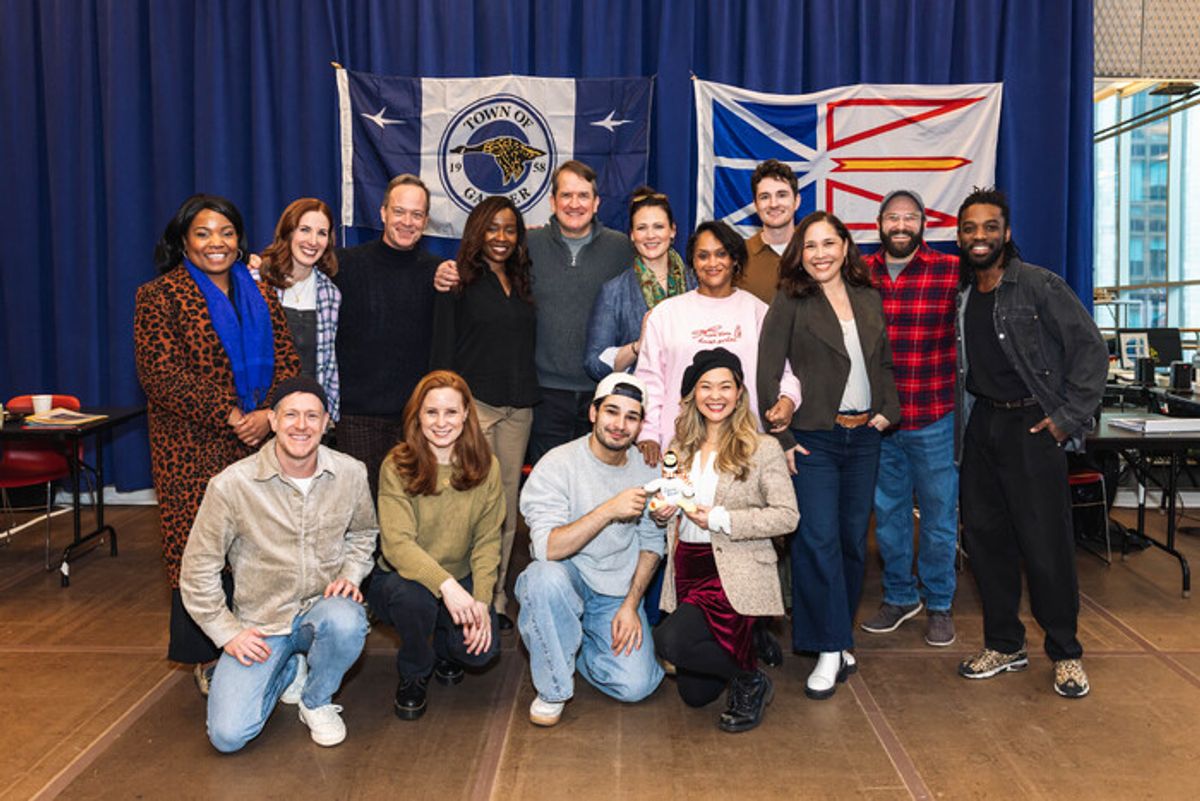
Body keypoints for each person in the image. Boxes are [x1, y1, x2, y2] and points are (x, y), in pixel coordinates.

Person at [135, 194, 299, 692]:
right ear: (184, 239)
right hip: (192, 446)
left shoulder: (261, 292)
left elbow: (289, 361)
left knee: (256, 547)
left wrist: (269, 414)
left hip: (258, 442)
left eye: (226, 232)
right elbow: (161, 375)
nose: (216, 243)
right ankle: (207, 655)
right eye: (203, 233)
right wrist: (232, 416)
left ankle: (264, 642)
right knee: (201, 551)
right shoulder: (158, 296)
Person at [954, 188, 1107, 699]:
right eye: (971, 228)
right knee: (986, 544)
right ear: (961, 236)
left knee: (1047, 549)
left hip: (1033, 431)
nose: (980, 237)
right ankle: (1004, 644)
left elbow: (1091, 349)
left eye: (989, 227)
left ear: (1006, 232)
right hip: (981, 430)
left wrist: (1067, 419)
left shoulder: (1038, 285)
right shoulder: (963, 294)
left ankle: (1065, 653)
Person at [179, 376, 377, 751]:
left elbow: (365, 533)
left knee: (348, 620)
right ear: (272, 420)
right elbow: (198, 568)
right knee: (228, 737)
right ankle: (286, 670)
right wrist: (227, 632)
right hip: (261, 623)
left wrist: (351, 574)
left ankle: (316, 701)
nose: (301, 426)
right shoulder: (231, 485)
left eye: (311, 416)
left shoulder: (350, 473)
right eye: (290, 415)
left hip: (321, 610)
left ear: (325, 422)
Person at [757, 210, 900, 700]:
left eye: (828, 243)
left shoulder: (867, 296)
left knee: (852, 543)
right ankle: (828, 647)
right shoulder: (790, 300)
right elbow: (767, 371)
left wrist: (888, 410)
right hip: (812, 439)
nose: (819, 254)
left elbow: (882, 360)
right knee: (816, 541)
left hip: (864, 439)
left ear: (845, 247)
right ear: (802, 253)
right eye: (810, 245)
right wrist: (781, 438)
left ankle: (838, 636)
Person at [436, 161, 635, 464]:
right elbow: (482, 264)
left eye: (583, 196)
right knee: (542, 485)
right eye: (566, 195)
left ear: (596, 203)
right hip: (543, 394)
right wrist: (446, 270)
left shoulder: (621, 249)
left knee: (597, 479)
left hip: (603, 390)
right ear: (553, 202)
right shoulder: (527, 244)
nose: (574, 204)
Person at [651, 349, 798, 733]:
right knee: (694, 695)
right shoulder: (678, 449)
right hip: (687, 568)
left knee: (670, 641)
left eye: (725, 386)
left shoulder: (763, 448)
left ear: (738, 393)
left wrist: (720, 518)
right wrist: (661, 510)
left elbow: (787, 516)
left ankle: (750, 677)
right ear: (692, 395)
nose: (716, 396)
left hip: (735, 569)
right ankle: (745, 654)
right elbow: (668, 501)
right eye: (705, 387)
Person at [515, 372, 665, 727]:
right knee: (541, 578)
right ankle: (554, 688)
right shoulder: (557, 463)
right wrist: (608, 510)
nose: (620, 425)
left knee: (636, 685)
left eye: (632, 417)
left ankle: (572, 645)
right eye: (612, 412)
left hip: (616, 590)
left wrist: (631, 605)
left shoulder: (649, 469)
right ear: (593, 413)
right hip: (568, 577)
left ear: (641, 425)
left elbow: (652, 543)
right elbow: (547, 548)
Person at [366, 370, 503, 720]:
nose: (441, 422)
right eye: (431, 412)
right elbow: (397, 545)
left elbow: (488, 542)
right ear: (417, 416)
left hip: (461, 576)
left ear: (467, 415)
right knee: (414, 599)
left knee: (479, 653)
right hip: (402, 579)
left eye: (451, 412)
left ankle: (446, 647)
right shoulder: (397, 465)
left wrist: (483, 603)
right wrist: (448, 588)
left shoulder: (487, 467)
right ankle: (414, 670)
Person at [859, 190, 961, 646]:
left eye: (910, 218)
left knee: (939, 517)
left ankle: (940, 604)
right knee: (890, 516)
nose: (901, 225)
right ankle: (901, 597)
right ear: (879, 223)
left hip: (933, 414)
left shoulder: (949, 271)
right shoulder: (861, 274)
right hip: (881, 421)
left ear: (923, 224)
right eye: (892, 218)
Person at [431, 197, 537, 631]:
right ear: (477, 231)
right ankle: (466, 596)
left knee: (507, 508)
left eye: (509, 229)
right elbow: (441, 350)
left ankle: (495, 598)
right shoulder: (457, 279)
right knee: (473, 505)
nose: (500, 237)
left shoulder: (521, 279)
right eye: (492, 228)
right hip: (477, 408)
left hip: (520, 409)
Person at [634, 220, 800, 468]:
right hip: (679, 446)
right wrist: (648, 434)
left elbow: (784, 371)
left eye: (721, 254)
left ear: (735, 259)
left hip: (746, 446)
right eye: (703, 256)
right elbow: (650, 380)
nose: (712, 263)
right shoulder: (666, 314)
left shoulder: (758, 312)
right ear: (693, 262)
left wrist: (788, 400)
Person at [333, 174, 441, 497]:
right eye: (399, 212)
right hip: (356, 417)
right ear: (382, 213)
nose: (407, 222)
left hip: (413, 419)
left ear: (425, 220)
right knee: (361, 512)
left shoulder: (437, 273)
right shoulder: (344, 265)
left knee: (408, 512)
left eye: (416, 214)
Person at [583, 186, 696, 381]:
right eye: (642, 228)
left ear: (673, 231)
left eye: (658, 226)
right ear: (632, 235)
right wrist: (638, 346)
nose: (650, 235)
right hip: (639, 403)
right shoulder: (614, 291)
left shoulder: (696, 283)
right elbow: (595, 365)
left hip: (692, 401)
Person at [257, 197, 343, 422]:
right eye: (305, 230)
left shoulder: (330, 294)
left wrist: (328, 415)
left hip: (308, 418)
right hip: (261, 415)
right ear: (288, 232)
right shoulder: (256, 282)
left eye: (322, 233)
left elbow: (328, 363)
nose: (313, 241)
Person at [741, 159, 801, 304]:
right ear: (756, 205)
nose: (773, 204)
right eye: (765, 197)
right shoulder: (740, 256)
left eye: (782, 195)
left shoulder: (816, 251)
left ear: (796, 201)